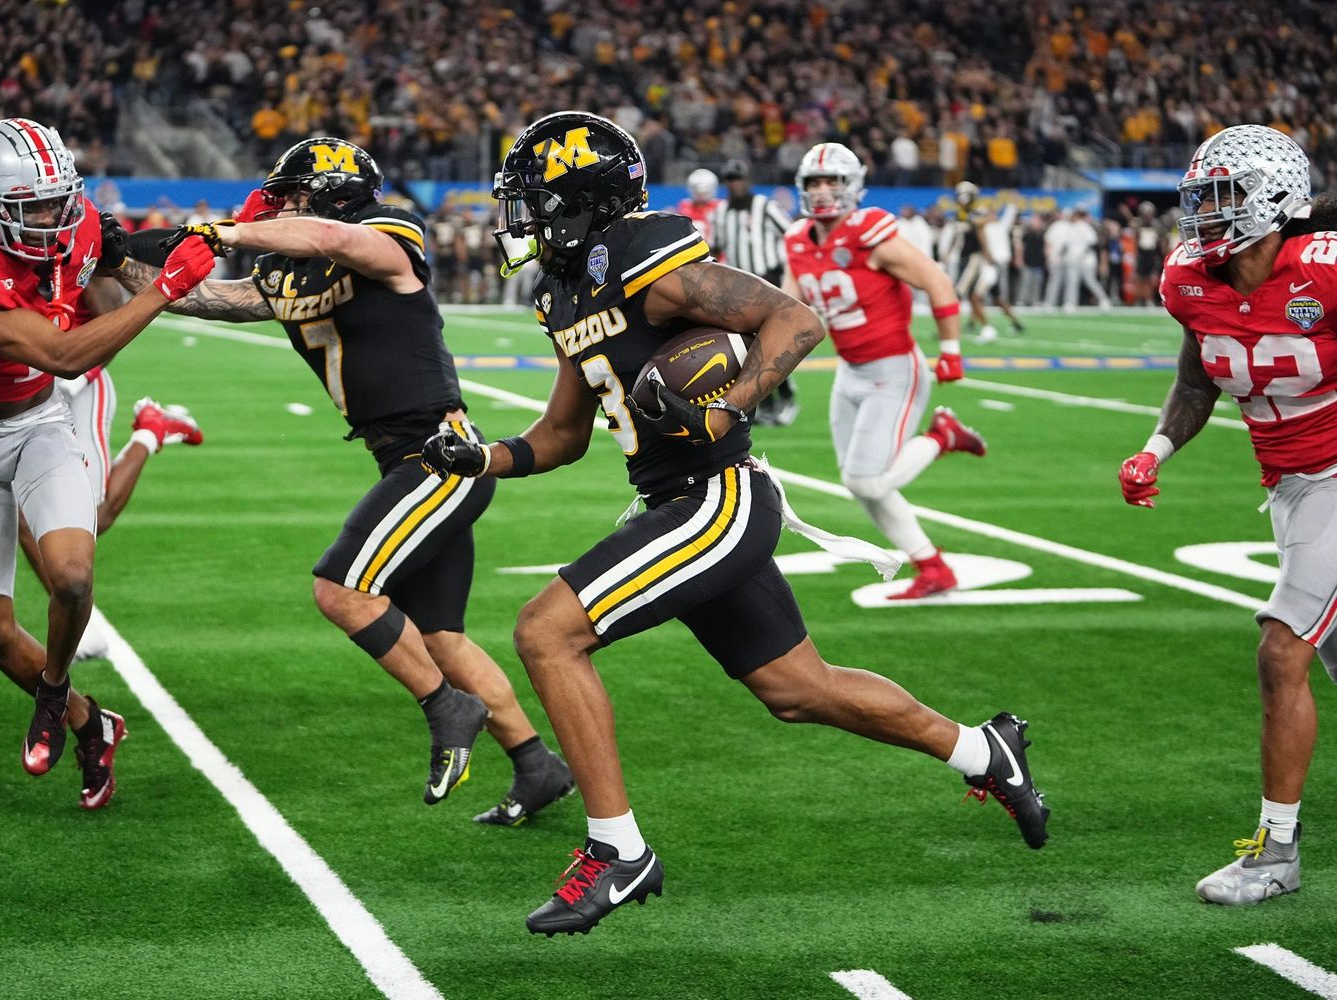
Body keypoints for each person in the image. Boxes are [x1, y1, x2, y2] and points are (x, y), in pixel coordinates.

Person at [423, 112, 1049, 937]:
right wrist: (485, 458)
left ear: (585, 200)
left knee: (547, 632)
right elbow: (564, 435)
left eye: (536, 202)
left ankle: (618, 853)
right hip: (677, 500)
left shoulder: (640, 253)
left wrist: (728, 409)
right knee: (799, 690)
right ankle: (983, 750)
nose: (523, 221)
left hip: (716, 495)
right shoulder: (564, 289)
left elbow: (793, 320)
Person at [111, 137, 574, 824]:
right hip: (404, 460)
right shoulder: (289, 271)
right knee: (441, 637)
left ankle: (448, 708)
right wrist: (115, 256)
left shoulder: (389, 228)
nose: (282, 207)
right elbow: (203, 300)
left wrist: (228, 228)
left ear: (331, 188)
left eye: (294, 194)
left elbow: (338, 239)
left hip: (440, 455)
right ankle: (537, 765)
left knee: (341, 590)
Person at [0, 117, 217, 809]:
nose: (51, 217)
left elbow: (99, 317)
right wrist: (162, 289)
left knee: (73, 576)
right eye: (32, 207)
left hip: (42, 424)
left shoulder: (75, 223)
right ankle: (89, 721)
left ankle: (51, 693)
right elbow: (62, 353)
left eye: (58, 200)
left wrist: (193, 251)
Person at [1120, 124, 1337, 906]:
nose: (1204, 213)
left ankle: (1275, 852)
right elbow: (1196, 383)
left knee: (1283, 651)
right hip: (1289, 486)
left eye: (1222, 196)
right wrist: (1154, 451)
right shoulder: (1189, 279)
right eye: (1201, 197)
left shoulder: (1327, 271)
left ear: (1275, 200)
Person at [784, 143, 987, 601]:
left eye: (831, 181)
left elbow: (935, 280)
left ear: (851, 184)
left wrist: (951, 349)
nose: (821, 192)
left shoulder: (869, 230)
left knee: (867, 480)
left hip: (894, 368)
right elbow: (789, 306)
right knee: (861, 484)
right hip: (851, 371)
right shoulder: (798, 237)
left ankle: (944, 436)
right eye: (813, 182)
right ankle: (933, 566)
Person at [18, 375, 205, 663]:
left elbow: (100, 333)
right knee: (22, 512)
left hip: (76, 391)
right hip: (21, 397)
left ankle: (151, 429)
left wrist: (76, 380)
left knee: (89, 515)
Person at [709, 158, 798, 425]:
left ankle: (786, 397)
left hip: (768, 280)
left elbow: (793, 234)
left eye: (738, 179)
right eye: (730, 180)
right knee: (749, 349)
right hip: (740, 287)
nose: (735, 185)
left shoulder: (765, 207)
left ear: (748, 181)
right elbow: (716, 247)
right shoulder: (721, 212)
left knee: (772, 343)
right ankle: (765, 403)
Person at [952, 182, 1023, 342]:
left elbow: (982, 237)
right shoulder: (972, 220)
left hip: (988, 264)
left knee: (974, 295)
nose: (990, 215)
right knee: (974, 295)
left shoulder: (995, 225)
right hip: (983, 263)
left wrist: (1013, 200)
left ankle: (986, 327)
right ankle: (978, 324)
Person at [674, 168, 720, 243]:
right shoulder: (685, 206)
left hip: (715, 251)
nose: (701, 195)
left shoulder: (719, 207)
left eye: (705, 191)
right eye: (698, 191)